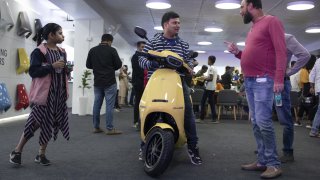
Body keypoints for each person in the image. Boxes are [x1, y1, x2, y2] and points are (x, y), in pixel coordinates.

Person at [225, 0, 287, 178]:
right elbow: (251, 56)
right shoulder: (253, 28)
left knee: (263, 122)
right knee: (255, 122)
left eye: (242, 7)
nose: (240, 12)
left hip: (264, 79)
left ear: (251, 5)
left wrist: (278, 78)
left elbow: (281, 52)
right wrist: (237, 52)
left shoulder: (272, 21)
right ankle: (262, 161)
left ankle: (274, 164)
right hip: (251, 80)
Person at [138, 11, 202, 165]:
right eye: (175, 23)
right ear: (165, 24)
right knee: (145, 109)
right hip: (157, 81)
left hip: (178, 83)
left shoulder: (183, 44)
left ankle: (193, 147)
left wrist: (190, 66)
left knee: (188, 114)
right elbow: (141, 59)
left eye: (179, 23)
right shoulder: (153, 42)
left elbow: (189, 61)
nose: (178, 25)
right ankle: (143, 144)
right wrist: (150, 63)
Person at [10, 23, 70, 166]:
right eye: (60, 33)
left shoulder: (63, 52)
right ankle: (17, 151)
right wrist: (51, 66)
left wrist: (66, 70)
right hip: (44, 96)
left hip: (58, 96)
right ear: (51, 35)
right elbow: (33, 72)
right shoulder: (39, 51)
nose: (63, 36)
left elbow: (62, 72)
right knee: (34, 123)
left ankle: (41, 154)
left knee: (50, 124)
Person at [275, 33, 310, 163]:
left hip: (280, 83)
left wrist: (289, 71)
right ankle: (266, 149)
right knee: (262, 119)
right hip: (264, 83)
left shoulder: (285, 37)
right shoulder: (262, 38)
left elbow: (305, 55)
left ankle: (288, 151)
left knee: (285, 120)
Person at [86, 34, 122, 135]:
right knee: (109, 106)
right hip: (110, 82)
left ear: (102, 40)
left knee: (97, 105)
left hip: (98, 82)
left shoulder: (93, 50)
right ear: (110, 41)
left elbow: (88, 65)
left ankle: (96, 127)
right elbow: (118, 65)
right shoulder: (112, 50)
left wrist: (98, 67)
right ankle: (110, 129)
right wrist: (109, 67)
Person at [131, 41, 146, 129]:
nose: (143, 48)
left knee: (145, 103)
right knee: (138, 102)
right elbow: (137, 70)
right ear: (138, 47)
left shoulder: (145, 56)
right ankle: (136, 121)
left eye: (144, 47)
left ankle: (143, 121)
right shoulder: (135, 57)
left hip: (145, 82)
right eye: (142, 47)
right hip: (138, 82)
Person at [199, 55, 218, 123]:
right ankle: (214, 117)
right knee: (211, 102)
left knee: (203, 102)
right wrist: (206, 77)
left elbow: (211, 78)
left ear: (210, 60)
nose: (207, 61)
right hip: (212, 87)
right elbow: (212, 77)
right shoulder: (214, 68)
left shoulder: (210, 68)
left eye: (208, 60)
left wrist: (204, 79)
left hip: (209, 87)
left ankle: (202, 117)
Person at [309, 57, 320, 137]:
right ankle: (314, 130)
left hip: (318, 88)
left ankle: (314, 130)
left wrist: (312, 86)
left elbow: (312, 74)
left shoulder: (318, 60)